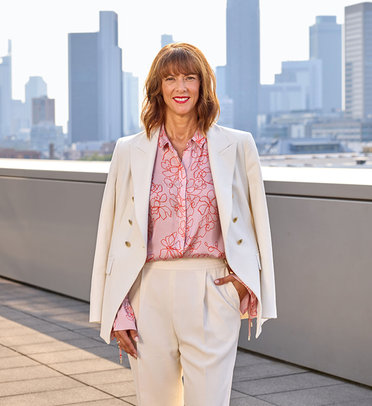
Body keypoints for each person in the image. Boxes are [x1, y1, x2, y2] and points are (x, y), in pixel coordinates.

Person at [89, 42, 277, 406]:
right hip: (147, 288)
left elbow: (258, 226)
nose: (181, 87)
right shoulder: (129, 150)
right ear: (157, 87)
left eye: (190, 77)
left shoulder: (237, 145)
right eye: (171, 78)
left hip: (213, 287)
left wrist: (242, 284)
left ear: (203, 85)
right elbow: (111, 234)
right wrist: (114, 307)